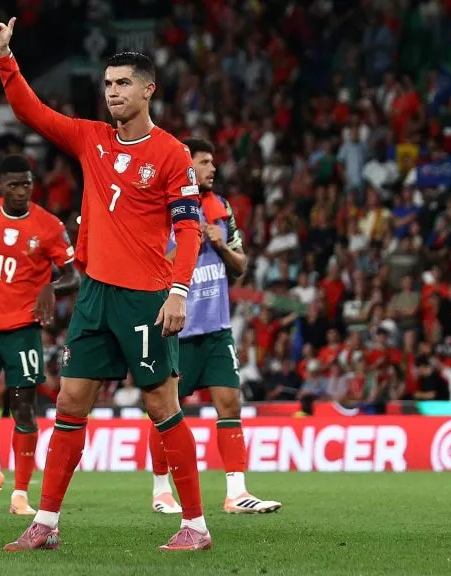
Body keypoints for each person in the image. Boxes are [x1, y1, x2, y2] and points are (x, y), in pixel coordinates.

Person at [0, 18, 210, 551]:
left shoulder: (173, 155)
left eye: (123, 84)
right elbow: (30, 112)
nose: (112, 93)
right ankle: (46, 522)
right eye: (108, 84)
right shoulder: (92, 140)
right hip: (95, 296)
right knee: (70, 403)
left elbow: (189, 229)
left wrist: (179, 290)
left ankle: (196, 526)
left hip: (146, 297)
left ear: (148, 89)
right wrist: (4, 57)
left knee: (161, 407)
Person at [149, 139, 282, 516]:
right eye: (205, 162)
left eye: (213, 162)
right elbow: (154, 262)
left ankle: (236, 493)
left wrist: (221, 246)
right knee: (164, 409)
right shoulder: (164, 206)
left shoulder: (221, 208)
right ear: (186, 165)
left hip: (217, 327)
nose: (213, 169)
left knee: (230, 402)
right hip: (176, 328)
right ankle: (161, 491)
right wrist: (189, 239)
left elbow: (240, 266)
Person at [0, 154, 79, 515]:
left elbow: (74, 275)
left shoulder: (49, 225)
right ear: (0, 187)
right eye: (14, 184)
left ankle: (21, 493)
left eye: (27, 183)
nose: (22, 191)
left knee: (23, 406)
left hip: (22, 330)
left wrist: (51, 286)